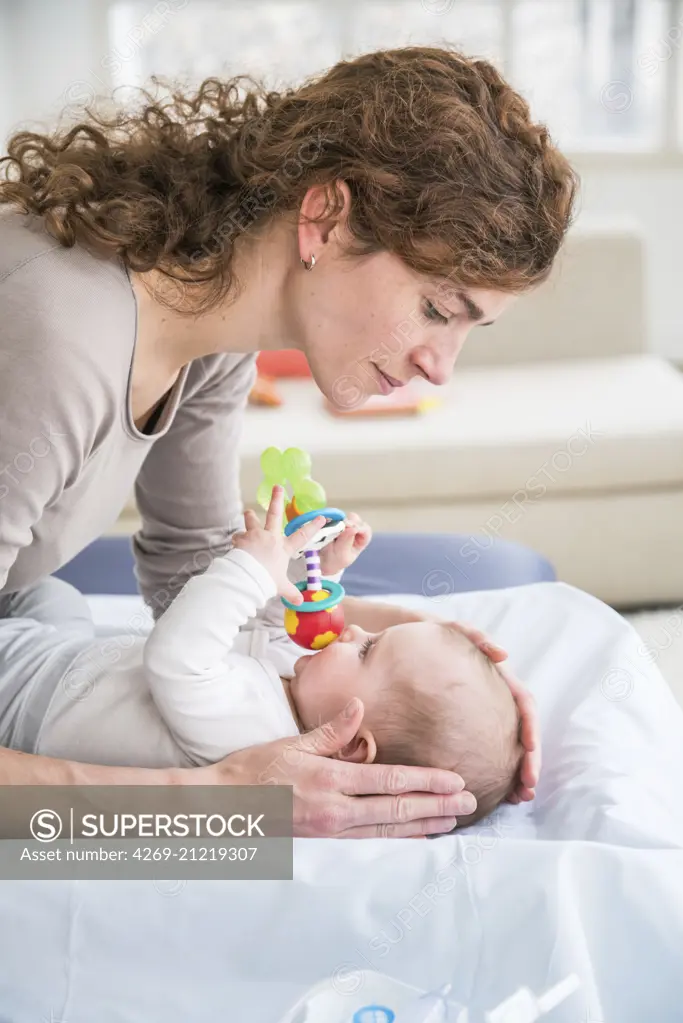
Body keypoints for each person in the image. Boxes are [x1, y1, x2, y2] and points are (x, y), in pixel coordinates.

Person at [0, 45, 572, 833]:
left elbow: (194, 573)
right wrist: (223, 805)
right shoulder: (61, 335)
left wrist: (428, 685)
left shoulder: (210, 322)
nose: (439, 368)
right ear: (325, 219)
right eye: (439, 309)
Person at [0, 487, 522, 830]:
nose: (355, 631)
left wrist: (250, 569)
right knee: (53, 596)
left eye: (367, 649)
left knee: (39, 593)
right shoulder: (301, 698)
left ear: (353, 748)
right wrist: (319, 576)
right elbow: (272, 624)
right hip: (76, 656)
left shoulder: (253, 730)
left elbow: (178, 657)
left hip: (28, 694)